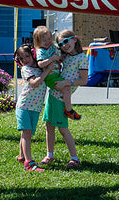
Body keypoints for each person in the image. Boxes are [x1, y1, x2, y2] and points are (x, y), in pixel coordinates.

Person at [40, 29, 88, 169]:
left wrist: (66, 83)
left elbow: (84, 80)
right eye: (61, 44)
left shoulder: (81, 58)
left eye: (66, 41)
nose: (64, 45)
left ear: (74, 39)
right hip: (53, 94)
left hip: (61, 98)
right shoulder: (64, 56)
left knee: (62, 129)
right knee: (49, 126)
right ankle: (50, 155)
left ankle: (74, 158)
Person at [14, 44, 53, 172]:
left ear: (33, 56)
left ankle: (21, 156)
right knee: (27, 133)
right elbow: (35, 83)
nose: (25, 60)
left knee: (26, 133)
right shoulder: (26, 70)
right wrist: (47, 71)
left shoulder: (38, 68)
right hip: (24, 106)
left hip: (35, 108)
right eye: (21, 58)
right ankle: (29, 163)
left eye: (27, 56)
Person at [32, 25, 80, 120]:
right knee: (66, 89)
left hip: (55, 74)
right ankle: (69, 110)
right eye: (44, 40)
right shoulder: (41, 51)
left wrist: (59, 60)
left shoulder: (52, 47)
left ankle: (67, 107)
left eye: (49, 39)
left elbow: (59, 54)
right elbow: (41, 64)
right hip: (50, 77)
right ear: (38, 42)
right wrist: (52, 59)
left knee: (66, 89)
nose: (48, 42)